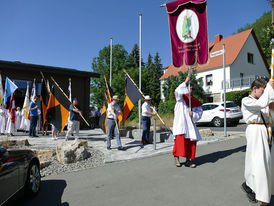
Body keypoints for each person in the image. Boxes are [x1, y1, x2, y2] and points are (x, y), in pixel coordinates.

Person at [241, 78, 274, 205]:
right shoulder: (246, 100)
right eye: (263, 90)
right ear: (255, 89)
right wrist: (270, 89)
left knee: (264, 162)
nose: (265, 93)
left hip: (264, 131)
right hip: (255, 131)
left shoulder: (262, 100)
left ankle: (250, 186)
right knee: (259, 163)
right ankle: (262, 197)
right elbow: (261, 104)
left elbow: (268, 111)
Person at [172, 75, 203, 168]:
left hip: (190, 125)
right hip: (181, 124)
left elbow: (200, 113)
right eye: (191, 88)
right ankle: (176, 158)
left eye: (193, 89)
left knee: (190, 143)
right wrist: (186, 81)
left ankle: (188, 160)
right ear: (186, 88)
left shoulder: (195, 101)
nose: (192, 90)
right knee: (179, 142)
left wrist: (193, 114)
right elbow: (177, 91)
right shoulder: (180, 98)